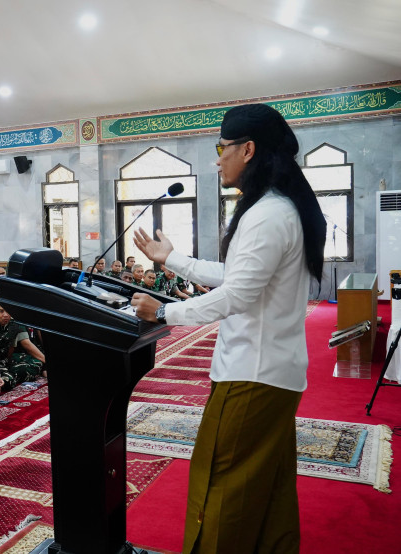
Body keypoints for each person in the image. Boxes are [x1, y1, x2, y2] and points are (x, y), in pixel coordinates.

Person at [130, 103, 326, 554]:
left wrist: (163, 314)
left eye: (222, 148)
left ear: (248, 149)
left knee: (220, 486)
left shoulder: (268, 215)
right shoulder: (278, 208)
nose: (217, 159)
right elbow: (238, 276)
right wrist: (172, 260)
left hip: (251, 377)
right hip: (275, 372)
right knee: (269, 491)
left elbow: (237, 296)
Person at [0, 301, 46, 384]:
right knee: (8, 381)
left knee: (37, 363)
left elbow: (20, 345)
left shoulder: (13, 323)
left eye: (8, 311)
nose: (6, 315)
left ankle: (7, 374)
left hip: (5, 359)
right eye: (1, 311)